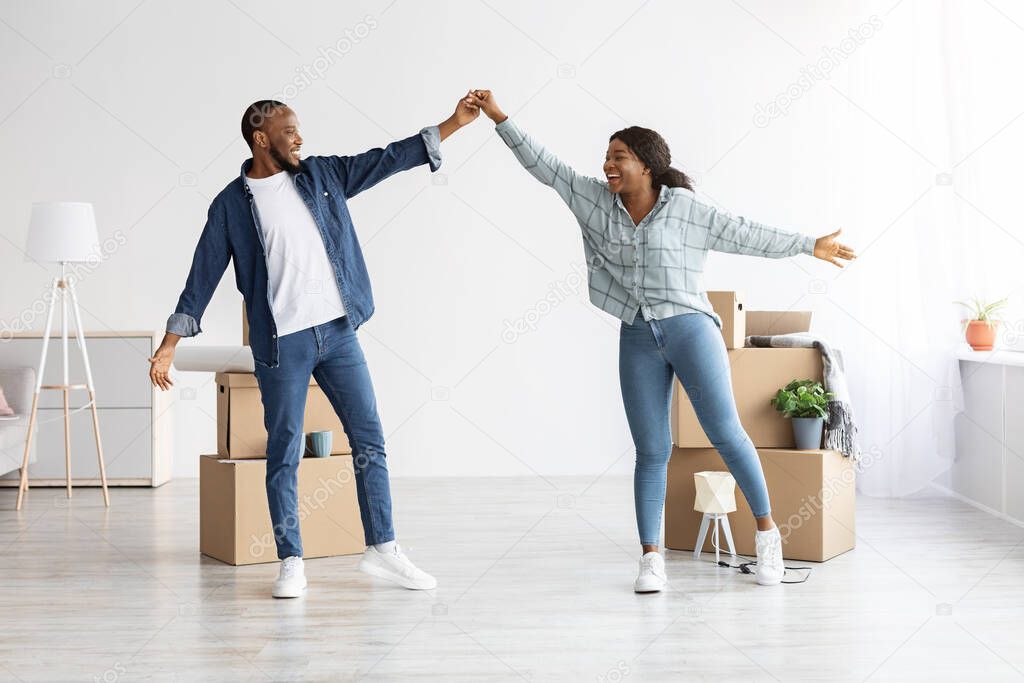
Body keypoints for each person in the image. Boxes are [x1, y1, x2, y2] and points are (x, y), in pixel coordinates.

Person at [466, 89, 855, 592]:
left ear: (647, 166)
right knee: (650, 450)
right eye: (606, 156)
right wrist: (499, 116)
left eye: (618, 157)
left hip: (691, 328)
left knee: (726, 433)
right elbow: (545, 166)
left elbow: (744, 233)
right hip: (637, 334)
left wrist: (809, 244)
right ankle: (651, 558)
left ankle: (767, 538)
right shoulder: (594, 201)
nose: (607, 164)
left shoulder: (686, 210)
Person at [149, 94, 480, 598]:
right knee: (284, 452)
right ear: (262, 140)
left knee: (369, 440)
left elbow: (387, 158)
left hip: (338, 332)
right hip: (283, 343)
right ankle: (291, 560)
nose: (299, 138)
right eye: (289, 131)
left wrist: (453, 123)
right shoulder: (230, 206)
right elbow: (202, 276)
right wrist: (170, 345)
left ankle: (383, 550)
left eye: (298, 129)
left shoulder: (322, 175)